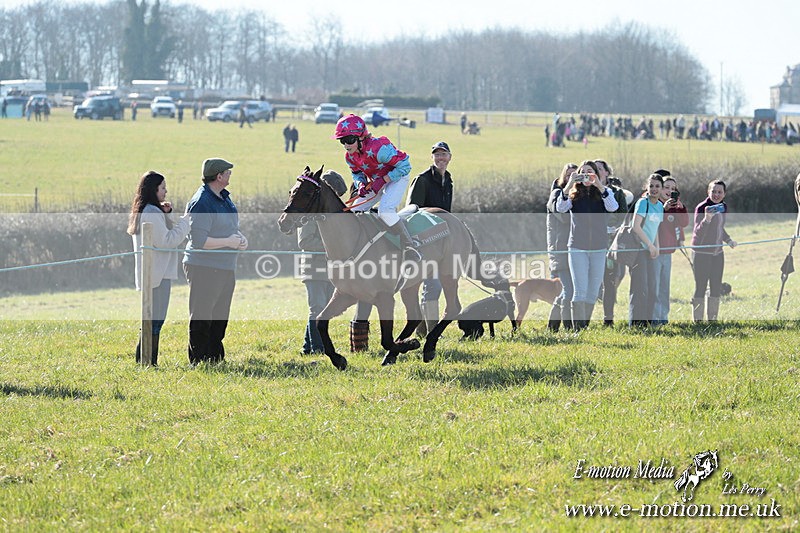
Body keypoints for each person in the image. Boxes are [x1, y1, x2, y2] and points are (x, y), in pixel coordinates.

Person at [183, 158, 248, 364]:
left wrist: (239, 238)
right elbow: (199, 241)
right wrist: (228, 241)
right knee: (202, 314)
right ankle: (199, 360)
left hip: (224, 266)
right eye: (227, 172)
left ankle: (215, 356)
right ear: (218, 176)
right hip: (203, 267)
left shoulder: (225, 198)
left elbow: (229, 228)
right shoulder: (202, 202)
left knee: (220, 314)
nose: (230, 175)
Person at [333, 113, 417, 260]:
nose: (346, 145)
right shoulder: (350, 156)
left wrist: (384, 179)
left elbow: (405, 166)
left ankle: (410, 246)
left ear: (361, 137)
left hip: (398, 176)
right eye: (342, 141)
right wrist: (361, 184)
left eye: (349, 140)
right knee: (353, 212)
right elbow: (357, 174)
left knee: (385, 211)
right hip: (377, 180)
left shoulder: (379, 149)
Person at [127, 171, 191, 365]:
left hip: (153, 273)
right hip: (158, 274)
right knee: (155, 321)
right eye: (162, 188)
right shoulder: (151, 213)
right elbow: (167, 241)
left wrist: (167, 215)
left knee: (151, 319)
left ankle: (145, 360)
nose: (166, 191)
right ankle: (147, 361)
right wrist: (186, 222)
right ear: (153, 190)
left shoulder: (147, 210)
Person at [556, 160, 619, 330]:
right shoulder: (573, 195)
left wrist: (599, 185)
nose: (586, 175)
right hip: (577, 247)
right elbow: (560, 208)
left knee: (593, 290)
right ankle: (578, 329)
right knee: (580, 289)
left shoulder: (605, 193)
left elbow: (613, 207)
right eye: (582, 172)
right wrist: (570, 184)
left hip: (599, 247)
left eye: (589, 172)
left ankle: (584, 326)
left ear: (596, 175)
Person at [406, 140, 454, 336]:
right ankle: (430, 331)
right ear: (432, 157)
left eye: (444, 154)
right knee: (430, 285)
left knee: (435, 286)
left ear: (450, 157)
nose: (440, 158)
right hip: (423, 242)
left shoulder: (448, 180)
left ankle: (425, 330)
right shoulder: (422, 179)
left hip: (441, 242)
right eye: (437, 154)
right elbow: (411, 211)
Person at [298, 170, 348, 354]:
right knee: (317, 309)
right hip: (314, 268)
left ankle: (307, 347)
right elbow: (305, 242)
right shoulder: (310, 212)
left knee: (322, 309)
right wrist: (333, 246)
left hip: (330, 269)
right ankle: (318, 349)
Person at [691, 180, 737, 322]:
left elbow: (719, 228)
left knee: (716, 287)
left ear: (724, 194)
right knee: (701, 286)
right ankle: (698, 322)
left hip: (718, 254)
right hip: (701, 254)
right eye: (714, 191)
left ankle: (713, 320)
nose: (716, 194)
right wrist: (707, 219)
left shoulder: (723, 207)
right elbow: (698, 233)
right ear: (708, 192)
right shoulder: (702, 208)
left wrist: (728, 240)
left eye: (720, 192)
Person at [594, 159, 629, 327]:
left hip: (611, 244)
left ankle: (608, 318)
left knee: (610, 281)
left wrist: (615, 229)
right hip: (590, 243)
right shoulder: (585, 191)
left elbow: (624, 218)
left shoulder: (617, 193)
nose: (596, 171)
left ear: (607, 172)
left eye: (599, 169)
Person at [652, 174, 689, 325]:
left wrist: (680, 208)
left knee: (664, 288)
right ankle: (654, 319)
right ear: (659, 188)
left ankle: (663, 318)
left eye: (673, 188)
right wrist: (663, 208)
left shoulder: (675, 206)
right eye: (666, 187)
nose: (669, 191)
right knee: (655, 286)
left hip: (668, 251)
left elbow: (684, 223)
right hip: (654, 251)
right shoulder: (653, 204)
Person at [628, 174, 664, 327]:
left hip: (651, 250)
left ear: (661, 188)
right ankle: (636, 325)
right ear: (646, 188)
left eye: (657, 186)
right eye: (651, 186)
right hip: (639, 250)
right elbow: (635, 227)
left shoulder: (660, 206)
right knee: (639, 288)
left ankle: (649, 322)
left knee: (652, 288)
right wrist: (649, 245)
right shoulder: (643, 203)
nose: (654, 189)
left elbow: (655, 229)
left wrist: (657, 247)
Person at [546, 163, 578, 331]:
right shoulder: (557, 194)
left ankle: (553, 327)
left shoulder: (579, 195)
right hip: (561, 250)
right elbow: (562, 216)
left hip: (576, 249)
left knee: (568, 291)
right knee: (569, 290)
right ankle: (567, 327)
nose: (571, 178)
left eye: (575, 175)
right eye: (568, 175)